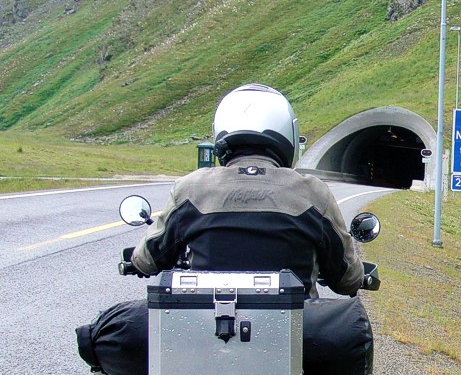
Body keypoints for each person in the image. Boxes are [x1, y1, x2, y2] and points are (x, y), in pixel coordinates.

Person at [130, 83, 362, 297]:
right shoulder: (313, 193)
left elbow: (147, 260)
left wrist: (137, 261)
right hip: (297, 333)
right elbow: (347, 279)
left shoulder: (190, 188)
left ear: (220, 133)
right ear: (288, 134)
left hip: (205, 331)